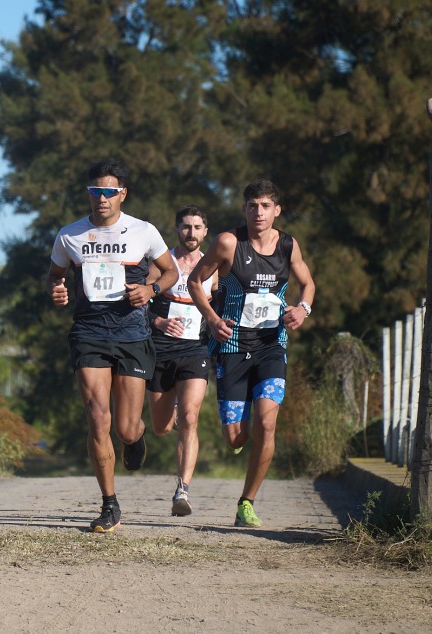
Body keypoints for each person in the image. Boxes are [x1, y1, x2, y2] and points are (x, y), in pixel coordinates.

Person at [48, 158, 179, 533]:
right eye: (95, 191)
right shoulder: (70, 235)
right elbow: (55, 275)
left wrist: (151, 289)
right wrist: (56, 290)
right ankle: (110, 505)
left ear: (122, 193)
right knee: (97, 417)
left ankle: (134, 440)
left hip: (132, 335)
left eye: (108, 192)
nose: (101, 198)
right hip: (89, 332)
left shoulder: (143, 231)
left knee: (124, 427)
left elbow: (171, 272)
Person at [187, 179, 315, 528]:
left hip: (271, 346)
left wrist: (303, 308)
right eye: (252, 206)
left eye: (265, 205)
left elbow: (309, 284)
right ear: (244, 209)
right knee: (236, 438)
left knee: (267, 423)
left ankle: (247, 501)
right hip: (231, 346)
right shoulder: (229, 243)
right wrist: (212, 319)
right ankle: (239, 438)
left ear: (277, 210)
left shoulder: (288, 245)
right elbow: (194, 282)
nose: (258, 212)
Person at [145, 205, 218, 517]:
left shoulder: (213, 267)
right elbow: (140, 303)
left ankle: (182, 491)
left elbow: (226, 302)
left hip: (196, 350)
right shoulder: (163, 262)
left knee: (190, 416)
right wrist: (158, 322)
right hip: (160, 350)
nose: (192, 233)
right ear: (177, 229)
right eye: (186, 227)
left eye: (197, 227)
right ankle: (170, 414)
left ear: (205, 232)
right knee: (161, 428)